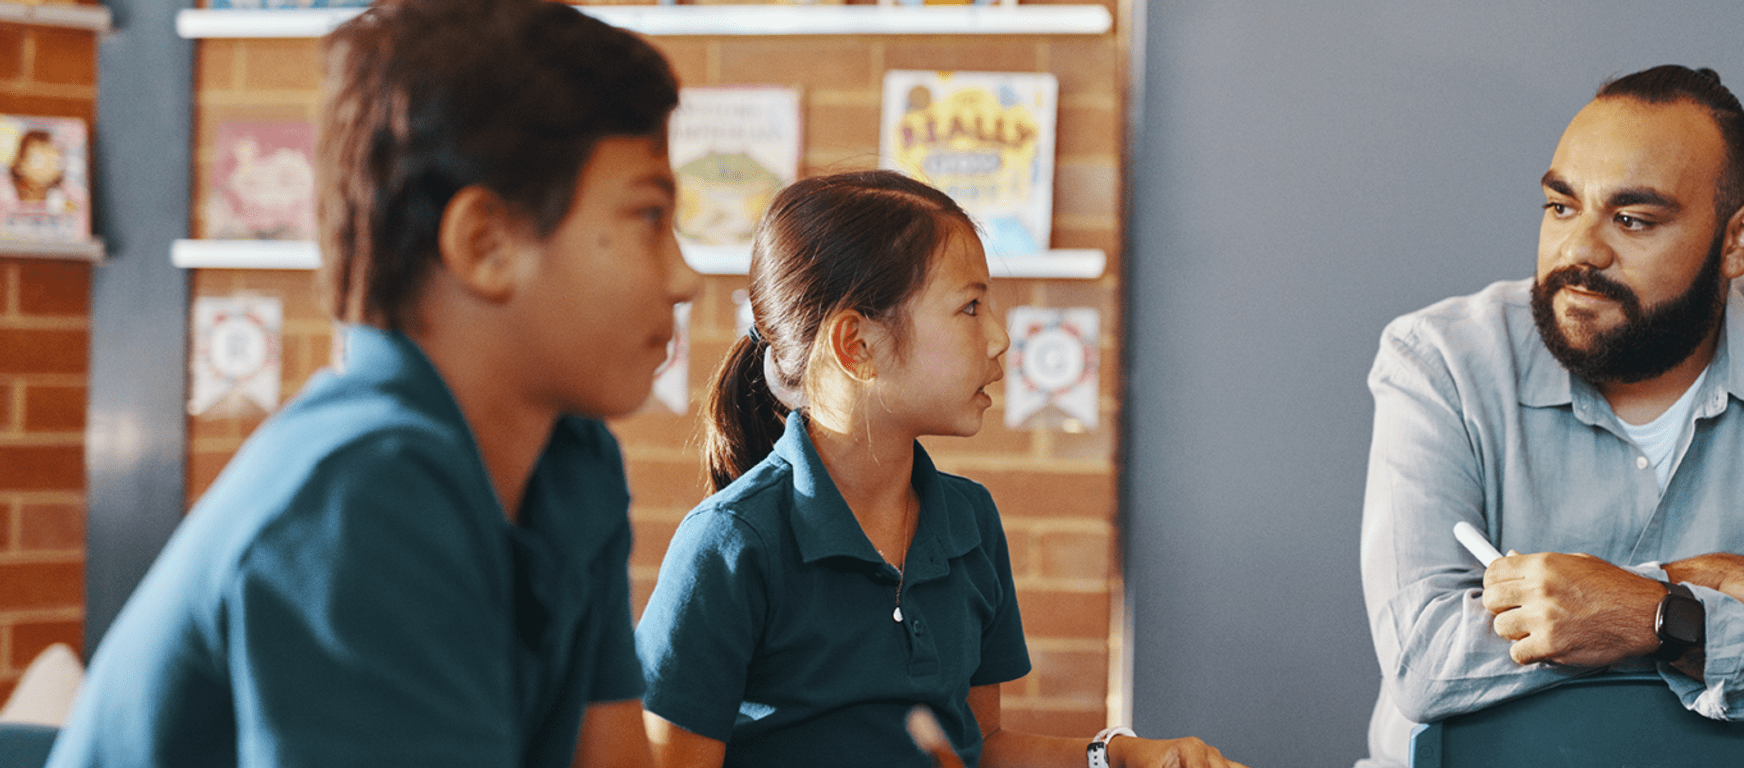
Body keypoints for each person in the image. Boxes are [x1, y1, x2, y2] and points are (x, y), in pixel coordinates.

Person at [46, 1, 699, 765]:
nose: (685, 276)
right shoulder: (366, 493)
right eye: (649, 216)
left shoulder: (570, 457)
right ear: (485, 244)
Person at [1356, 65, 1744, 767]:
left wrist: (1649, 615)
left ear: (1739, 240)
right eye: (1560, 207)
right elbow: (1426, 661)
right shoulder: (1440, 361)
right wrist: (1708, 581)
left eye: (1633, 219)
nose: (1580, 250)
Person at [635, 170, 1249, 768]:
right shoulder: (728, 545)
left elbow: (980, 748)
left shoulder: (970, 518)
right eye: (970, 307)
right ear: (859, 346)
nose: (1000, 338)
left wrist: (1118, 757)